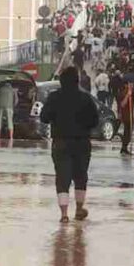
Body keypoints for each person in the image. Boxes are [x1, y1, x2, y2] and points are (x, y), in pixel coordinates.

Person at [40, 67, 99, 223]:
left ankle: (64, 214)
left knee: (62, 178)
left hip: (60, 142)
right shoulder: (86, 99)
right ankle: (79, 209)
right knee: (80, 176)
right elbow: (95, 121)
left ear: (61, 81)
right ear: (77, 81)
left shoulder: (54, 98)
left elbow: (44, 117)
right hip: (82, 142)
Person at [116, 71, 134, 156]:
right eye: (129, 84)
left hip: (129, 115)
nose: (131, 85)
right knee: (127, 132)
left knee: (128, 132)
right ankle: (124, 147)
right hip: (126, 116)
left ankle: (124, 147)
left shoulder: (131, 93)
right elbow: (122, 104)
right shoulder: (123, 93)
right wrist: (128, 95)